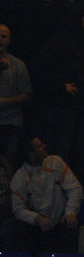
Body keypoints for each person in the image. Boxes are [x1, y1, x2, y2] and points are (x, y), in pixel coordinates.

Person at [10, 137, 82, 254]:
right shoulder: (19, 178)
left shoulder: (56, 162)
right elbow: (18, 210)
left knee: (71, 225)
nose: (44, 146)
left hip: (62, 221)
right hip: (38, 227)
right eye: (39, 146)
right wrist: (36, 218)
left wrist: (70, 212)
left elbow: (75, 189)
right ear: (30, 154)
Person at [0, 24, 31, 164]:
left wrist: (4, 102)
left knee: (8, 164)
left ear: (9, 40)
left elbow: (27, 95)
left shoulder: (18, 65)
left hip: (11, 123)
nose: (0, 39)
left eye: (3, 36)